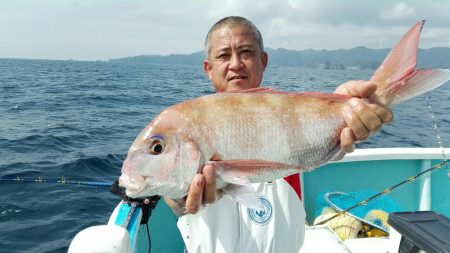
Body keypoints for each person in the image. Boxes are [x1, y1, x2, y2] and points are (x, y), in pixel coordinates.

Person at [165, 16, 393, 252]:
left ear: (263, 61)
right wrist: (180, 199)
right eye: (223, 55)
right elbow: (173, 199)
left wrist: (345, 108)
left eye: (245, 52)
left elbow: (320, 150)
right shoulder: (189, 126)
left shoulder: (287, 117)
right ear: (208, 69)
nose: (235, 64)